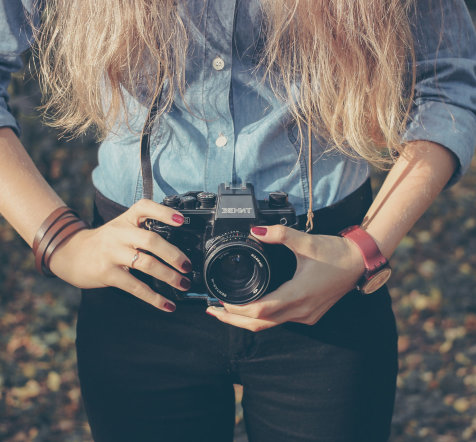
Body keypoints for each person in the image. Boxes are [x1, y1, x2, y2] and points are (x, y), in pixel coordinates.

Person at [1, 0, 475, 441]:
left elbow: (447, 85)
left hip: (326, 272)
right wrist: (59, 242)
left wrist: (362, 251)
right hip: (140, 279)